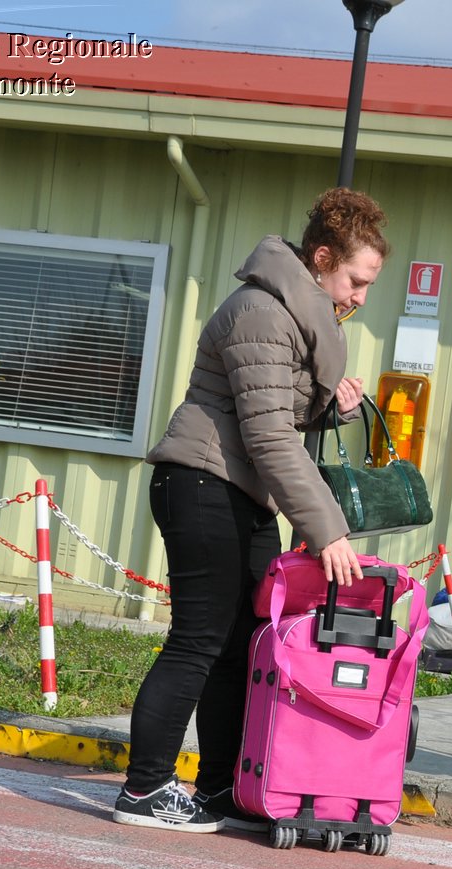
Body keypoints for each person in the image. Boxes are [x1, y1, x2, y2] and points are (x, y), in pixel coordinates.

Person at [112, 188, 389, 833]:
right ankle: (145, 788)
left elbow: (274, 420)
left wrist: (330, 408)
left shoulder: (297, 317)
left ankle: (218, 789)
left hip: (241, 493)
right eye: (355, 279)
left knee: (243, 646)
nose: (360, 296)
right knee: (198, 643)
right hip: (203, 486)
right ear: (321, 259)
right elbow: (267, 436)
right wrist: (328, 531)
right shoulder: (262, 312)